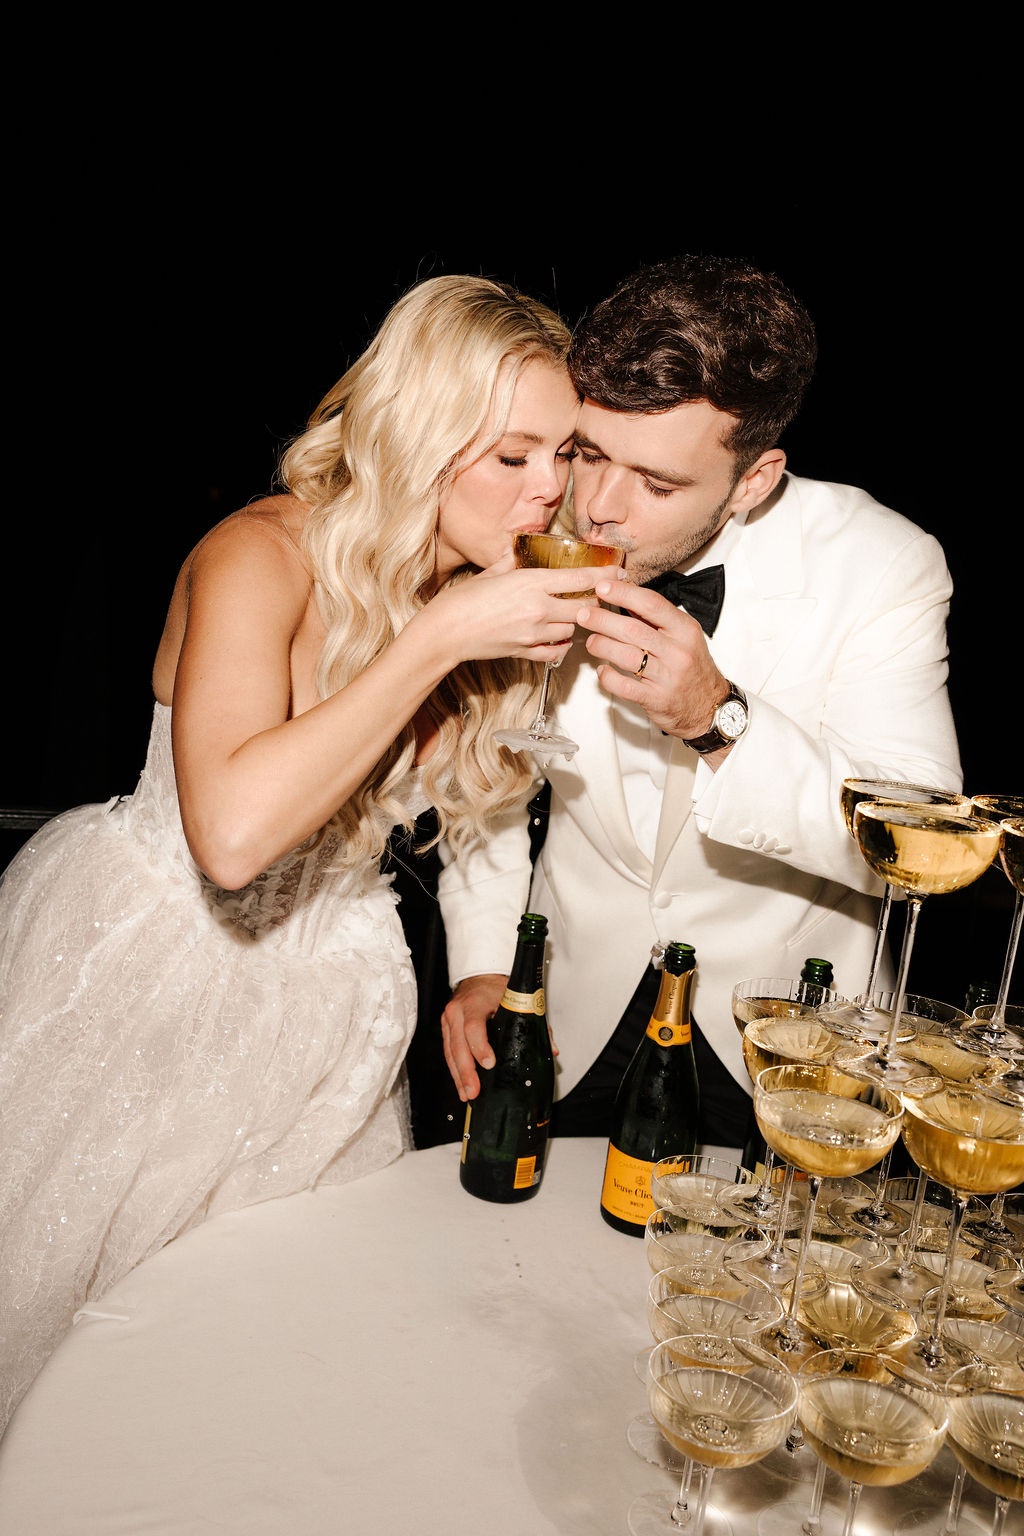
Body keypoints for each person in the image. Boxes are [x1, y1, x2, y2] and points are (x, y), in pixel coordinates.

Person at [0, 273, 612, 1429]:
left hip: (339, 999)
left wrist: (481, 968)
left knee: (259, 1358)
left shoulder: (488, 591)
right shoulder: (258, 557)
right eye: (514, 455)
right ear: (419, 441)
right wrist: (437, 640)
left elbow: (487, 808)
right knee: (72, 1352)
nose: (552, 491)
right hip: (155, 977)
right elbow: (229, 839)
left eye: (566, 454)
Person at [437, 252, 963, 1157]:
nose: (597, 508)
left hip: (783, 1043)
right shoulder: (535, 522)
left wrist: (719, 720)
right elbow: (489, 770)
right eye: (592, 453)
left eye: (659, 484)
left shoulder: (883, 565)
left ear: (753, 481)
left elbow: (916, 851)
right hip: (571, 1012)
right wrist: (484, 965)